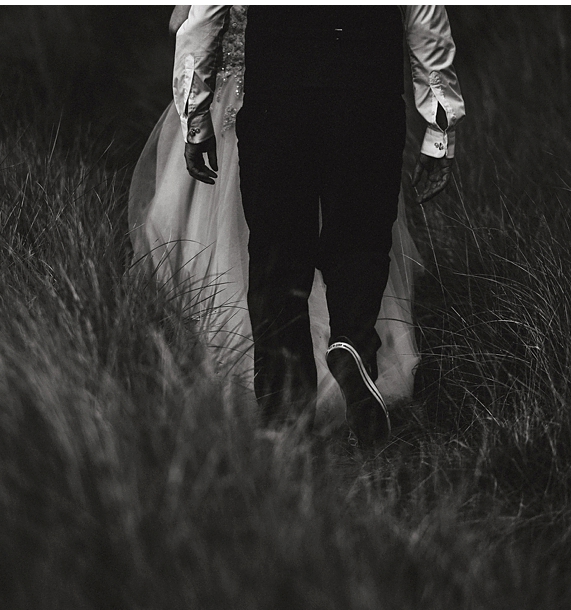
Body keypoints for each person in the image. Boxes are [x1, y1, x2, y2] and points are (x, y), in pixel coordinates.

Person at [129, 5, 464, 447]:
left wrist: (196, 118)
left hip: (277, 97)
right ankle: (350, 344)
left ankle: (285, 418)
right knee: (361, 239)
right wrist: (440, 129)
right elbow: (425, 15)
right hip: (367, 93)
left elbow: (206, 13)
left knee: (276, 257)